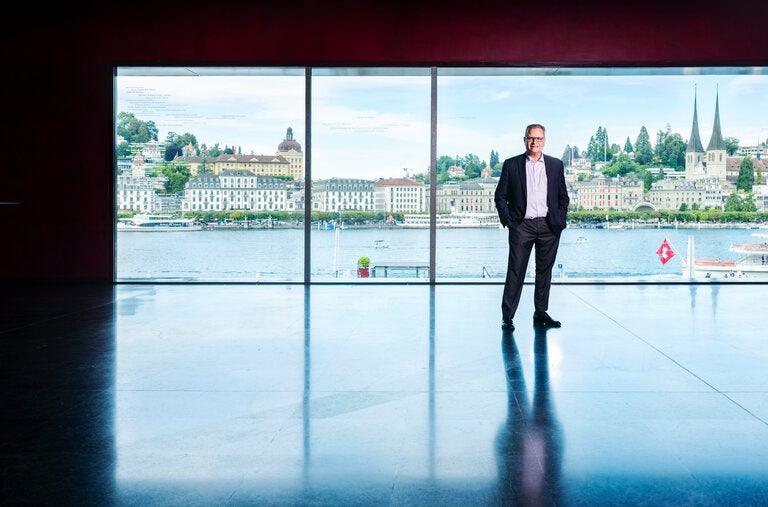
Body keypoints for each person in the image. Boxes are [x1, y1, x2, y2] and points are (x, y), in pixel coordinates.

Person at [494, 124, 570, 331]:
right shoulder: (511, 165)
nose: (534, 142)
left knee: (544, 272)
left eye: (538, 138)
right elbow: (500, 196)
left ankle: (541, 313)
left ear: (544, 140)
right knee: (516, 271)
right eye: (531, 138)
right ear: (525, 139)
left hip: (549, 226)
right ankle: (507, 317)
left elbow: (563, 196)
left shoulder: (556, 165)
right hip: (522, 226)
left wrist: (560, 220)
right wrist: (510, 222)